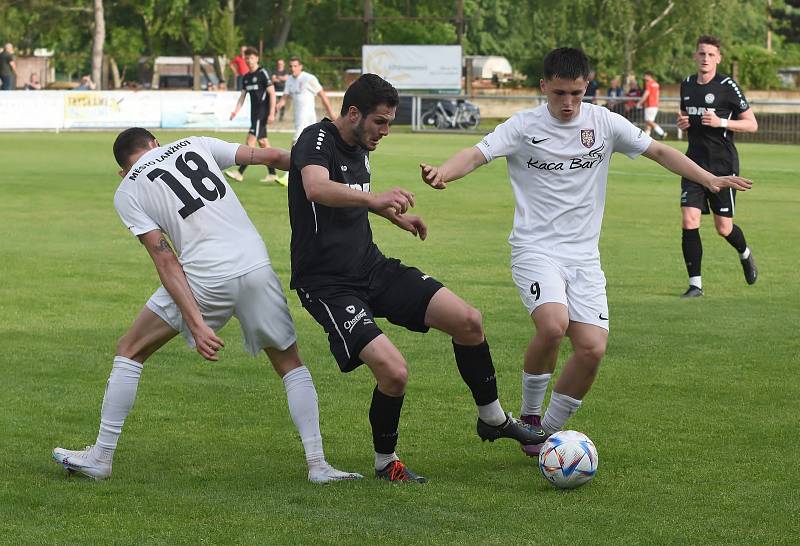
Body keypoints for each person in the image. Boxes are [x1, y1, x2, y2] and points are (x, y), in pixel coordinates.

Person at [419, 47, 752, 458]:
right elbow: (476, 154)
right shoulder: (523, 126)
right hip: (535, 248)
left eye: (577, 93)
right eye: (559, 93)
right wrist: (443, 174)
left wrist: (710, 180)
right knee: (554, 324)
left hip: (584, 257)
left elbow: (660, 151)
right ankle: (530, 417)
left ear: (587, 87)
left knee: (592, 348)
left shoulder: (604, 123)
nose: (568, 103)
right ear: (544, 87)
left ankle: (544, 438)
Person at [52, 128, 361, 485]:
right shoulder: (196, 144)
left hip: (206, 276)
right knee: (290, 364)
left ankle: (101, 457)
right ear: (156, 143)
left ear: (123, 169)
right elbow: (275, 158)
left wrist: (196, 322)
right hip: (255, 265)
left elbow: (165, 260)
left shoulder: (128, 189)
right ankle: (318, 464)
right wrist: (327, 170)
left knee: (130, 349)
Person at [288, 74, 548, 483]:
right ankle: (384, 461)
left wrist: (396, 216)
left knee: (468, 320)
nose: (385, 132)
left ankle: (493, 419)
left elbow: (350, 197)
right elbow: (318, 189)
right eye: (380, 122)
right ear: (353, 113)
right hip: (327, 284)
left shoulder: (361, 144)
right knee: (394, 372)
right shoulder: (316, 140)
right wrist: (375, 198)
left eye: (390, 123)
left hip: (370, 266)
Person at [676, 36, 759, 298]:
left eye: (711, 55)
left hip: (722, 165)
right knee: (689, 219)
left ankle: (745, 254)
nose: (705, 58)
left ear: (718, 58)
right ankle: (695, 285)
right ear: (695, 56)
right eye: (701, 53)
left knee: (723, 228)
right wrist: (684, 123)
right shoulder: (687, 84)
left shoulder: (727, 85)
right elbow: (686, 116)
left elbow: (752, 124)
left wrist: (722, 122)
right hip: (693, 164)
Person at [224, 48, 280, 185]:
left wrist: (272, 113)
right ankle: (272, 174)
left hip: (262, 113)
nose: (248, 60)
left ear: (257, 59)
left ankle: (239, 172)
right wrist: (235, 111)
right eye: (247, 58)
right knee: (263, 143)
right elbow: (242, 96)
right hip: (254, 115)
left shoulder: (262, 73)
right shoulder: (246, 77)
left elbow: (272, 93)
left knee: (250, 142)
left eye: (251, 58)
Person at [275, 56, 337, 145]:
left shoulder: (309, 78)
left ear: (301, 66)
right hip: (298, 119)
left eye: (295, 66)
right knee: (309, 145)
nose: (293, 68)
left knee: (296, 143)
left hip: (307, 118)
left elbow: (323, 95)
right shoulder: (289, 80)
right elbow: (284, 99)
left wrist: (331, 114)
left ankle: (293, 159)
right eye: (291, 66)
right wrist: (275, 108)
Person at [637, 71, 666, 139]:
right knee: (648, 123)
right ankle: (646, 138)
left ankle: (662, 133)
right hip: (655, 105)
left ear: (648, 76)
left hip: (650, 105)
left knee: (648, 121)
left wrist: (639, 103)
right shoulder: (656, 84)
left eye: (645, 76)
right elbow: (657, 94)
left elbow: (646, 94)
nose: (644, 77)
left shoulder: (649, 83)